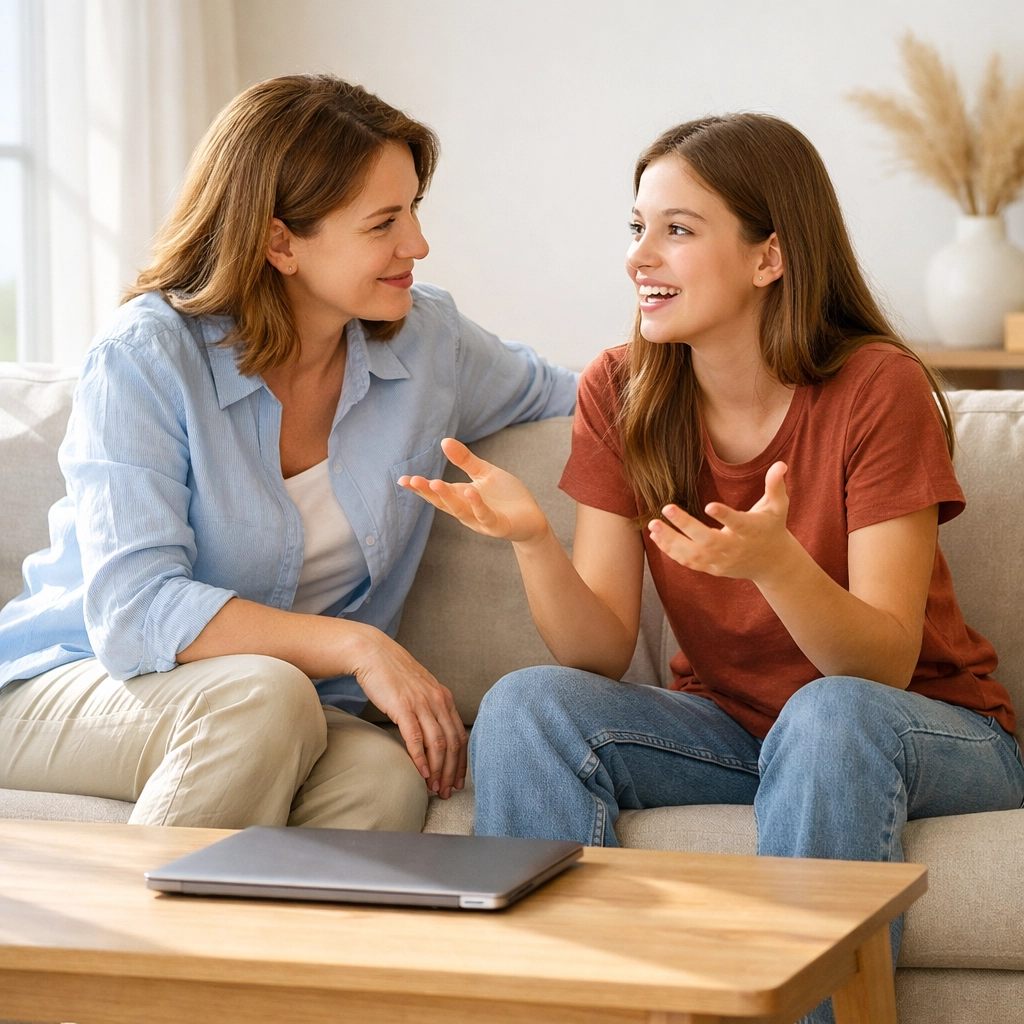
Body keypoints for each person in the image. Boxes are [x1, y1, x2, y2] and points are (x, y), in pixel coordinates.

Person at [400, 113, 1023, 1022]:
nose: (639, 256)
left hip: (923, 727)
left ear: (770, 256)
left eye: (678, 230)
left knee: (830, 715)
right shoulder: (621, 388)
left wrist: (778, 566)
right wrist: (536, 540)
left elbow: (882, 668)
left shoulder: (875, 388)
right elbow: (601, 651)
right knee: (529, 704)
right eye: (637, 227)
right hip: (734, 729)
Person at [0, 74, 577, 832]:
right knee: (263, 696)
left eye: (413, 211)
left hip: (292, 706)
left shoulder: (429, 342)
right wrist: (356, 645)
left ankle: (272, 955)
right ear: (280, 241)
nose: (419, 245)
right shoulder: (147, 356)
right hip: (76, 682)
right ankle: (132, 951)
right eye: (383, 224)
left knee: (381, 776)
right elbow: (134, 610)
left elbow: (587, 395)